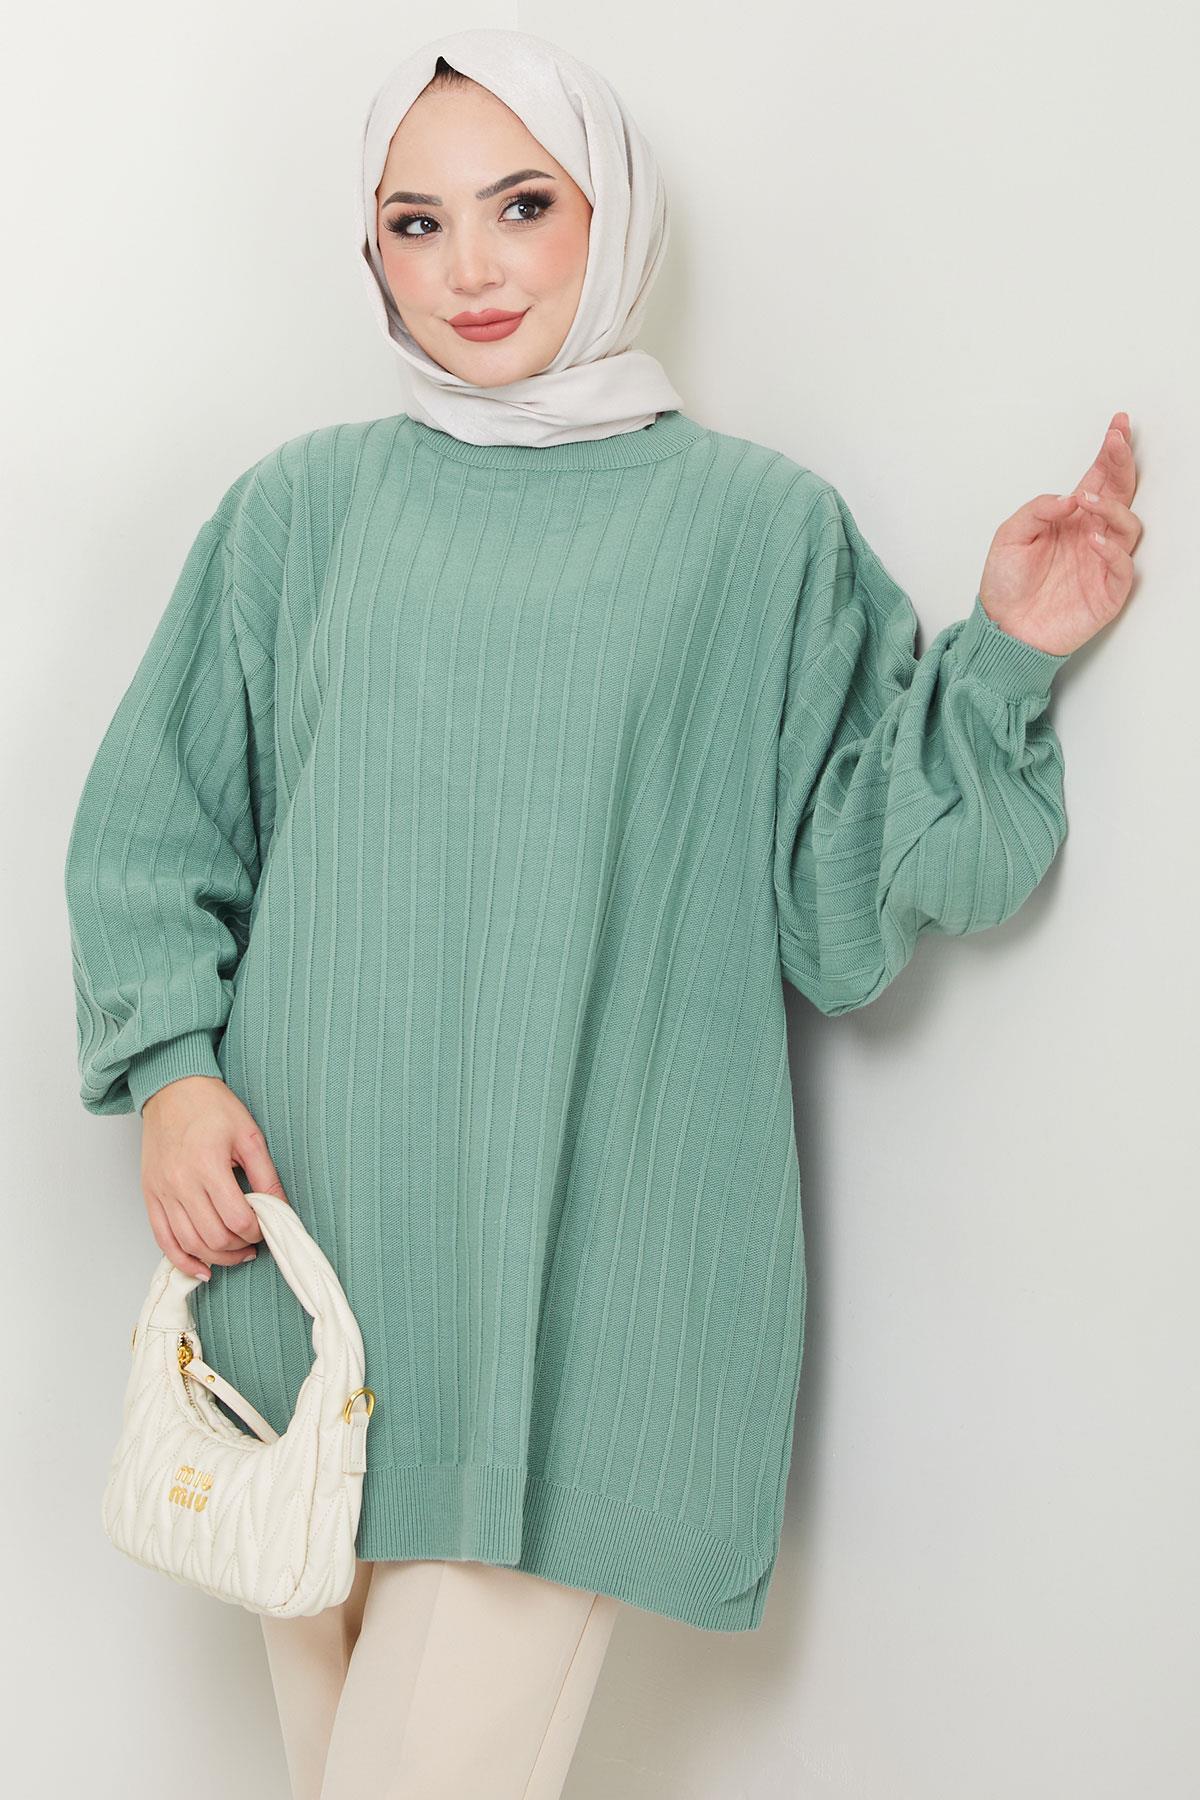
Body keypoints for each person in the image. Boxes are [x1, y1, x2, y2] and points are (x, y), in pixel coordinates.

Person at [62, 24, 1142, 1800]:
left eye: (522, 206)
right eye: (415, 224)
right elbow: (154, 824)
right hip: (306, 1269)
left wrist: (1010, 655)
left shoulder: (754, 533)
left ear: (612, 215)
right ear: (370, 252)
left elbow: (848, 896)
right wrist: (171, 1071)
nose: (468, 269)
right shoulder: (299, 513)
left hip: (590, 1295)